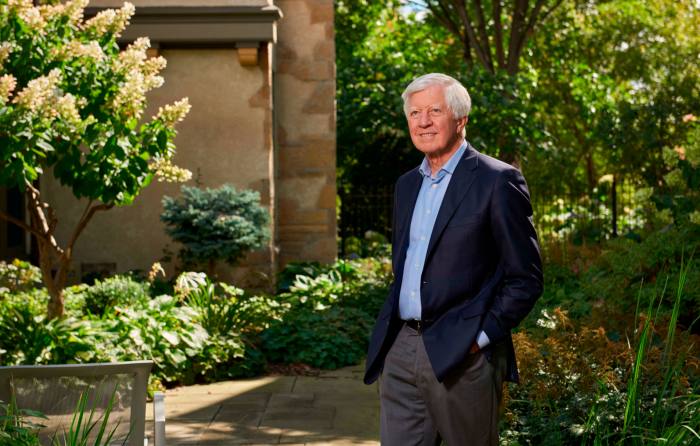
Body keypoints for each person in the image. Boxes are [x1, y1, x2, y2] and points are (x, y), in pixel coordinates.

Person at [363, 73, 543, 445]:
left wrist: (479, 338)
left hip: (463, 353)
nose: (423, 121)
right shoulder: (406, 184)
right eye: (414, 113)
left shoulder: (497, 181)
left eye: (434, 111)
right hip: (400, 348)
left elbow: (525, 278)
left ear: (460, 119)